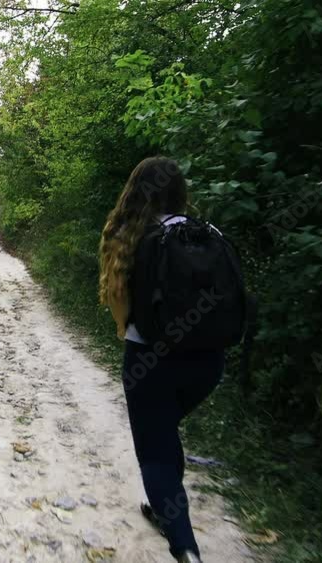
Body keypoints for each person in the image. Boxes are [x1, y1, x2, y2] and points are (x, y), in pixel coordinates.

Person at [98, 156, 224, 563]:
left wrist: (125, 329)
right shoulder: (205, 232)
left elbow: (118, 299)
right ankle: (163, 507)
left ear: (135, 191)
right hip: (208, 363)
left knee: (155, 452)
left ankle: (185, 548)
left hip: (150, 362)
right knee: (165, 435)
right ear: (179, 191)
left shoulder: (129, 236)